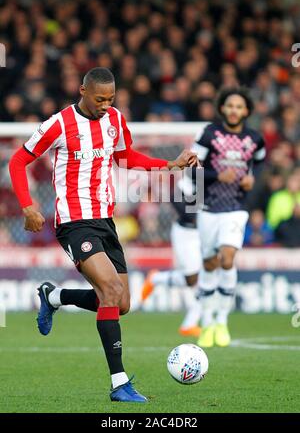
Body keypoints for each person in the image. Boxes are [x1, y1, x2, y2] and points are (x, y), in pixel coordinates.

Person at [9, 67, 197, 403]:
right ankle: (119, 383)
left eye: (110, 99)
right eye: (99, 99)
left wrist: (170, 164)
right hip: (74, 222)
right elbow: (18, 161)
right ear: (83, 90)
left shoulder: (114, 120)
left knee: (121, 303)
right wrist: (27, 206)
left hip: (104, 221)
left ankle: (54, 297)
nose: (105, 105)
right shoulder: (59, 124)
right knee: (110, 289)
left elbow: (125, 157)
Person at [192, 87, 265, 348]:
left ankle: (222, 320)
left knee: (228, 256)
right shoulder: (209, 134)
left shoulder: (255, 139)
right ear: (222, 108)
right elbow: (191, 169)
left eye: (239, 106)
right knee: (210, 263)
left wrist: (252, 180)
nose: (234, 110)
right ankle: (208, 321)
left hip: (236, 207)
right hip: (208, 208)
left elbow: (260, 165)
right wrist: (214, 175)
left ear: (246, 111)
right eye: (230, 105)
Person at [141, 175, 202, 337]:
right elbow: (176, 197)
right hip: (186, 233)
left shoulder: (220, 179)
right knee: (193, 279)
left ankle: (191, 323)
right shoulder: (198, 175)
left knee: (204, 277)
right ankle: (156, 279)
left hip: (204, 232)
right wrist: (192, 216)